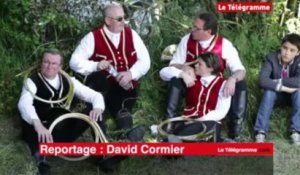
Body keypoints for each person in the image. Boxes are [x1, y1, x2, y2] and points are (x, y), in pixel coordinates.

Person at [159, 12, 247, 141]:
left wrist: (232, 79)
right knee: (175, 81)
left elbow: (240, 70)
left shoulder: (224, 45)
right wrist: (184, 68)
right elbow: (173, 64)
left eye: (197, 28)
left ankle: (235, 132)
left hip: (214, 87)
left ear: (209, 31)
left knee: (240, 85)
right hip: (191, 82)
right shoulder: (186, 40)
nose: (192, 30)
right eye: (193, 26)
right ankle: (170, 124)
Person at [18, 48, 105, 175]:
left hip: (61, 130)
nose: (49, 66)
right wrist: (38, 124)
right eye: (46, 62)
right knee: (31, 130)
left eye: (54, 63)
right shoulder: (32, 81)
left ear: (60, 66)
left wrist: (98, 108)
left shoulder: (69, 81)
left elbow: (95, 96)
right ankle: (40, 161)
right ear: (41, 63)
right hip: (41, 133)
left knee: (94, 110)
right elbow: (24, 104)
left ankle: (102, 154)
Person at [69, 1, 150, 134]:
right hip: (101, 88)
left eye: (124, 17)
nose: (124, 22)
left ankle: (125, 137)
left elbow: (145, 60)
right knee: (99, 82)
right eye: (119, 19)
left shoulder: (131, 34)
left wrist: (131, 73)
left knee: (124, 110)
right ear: (107, 20)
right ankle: (100, 135)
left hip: (123, 87)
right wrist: (95, 65)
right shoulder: (93, 37)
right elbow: (74, 61)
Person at [162, 52, 231, 142]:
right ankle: (178, 142)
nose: (196, 66)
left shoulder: (223, 84)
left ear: (210, 68)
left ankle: (175, 141)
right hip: (187, 121)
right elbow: (163, 72)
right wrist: (182, 74)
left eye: (200, 64)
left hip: (208, 122)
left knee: (210, 127)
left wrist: (201, 120)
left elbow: (222, 111)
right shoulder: (192, 77)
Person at [254, 33, 300, 145]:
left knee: (299, 92)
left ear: (298, 52)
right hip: (276, 94)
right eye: (285, 48)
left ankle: (295, 131)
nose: (287, 52)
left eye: (292, 50)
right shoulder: (271, 58)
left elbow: (299, 81)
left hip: (293, 95)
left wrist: (277, 81)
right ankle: (260, 131)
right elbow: (262, 80)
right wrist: (283, 87)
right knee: (269, 91)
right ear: (281, 47)